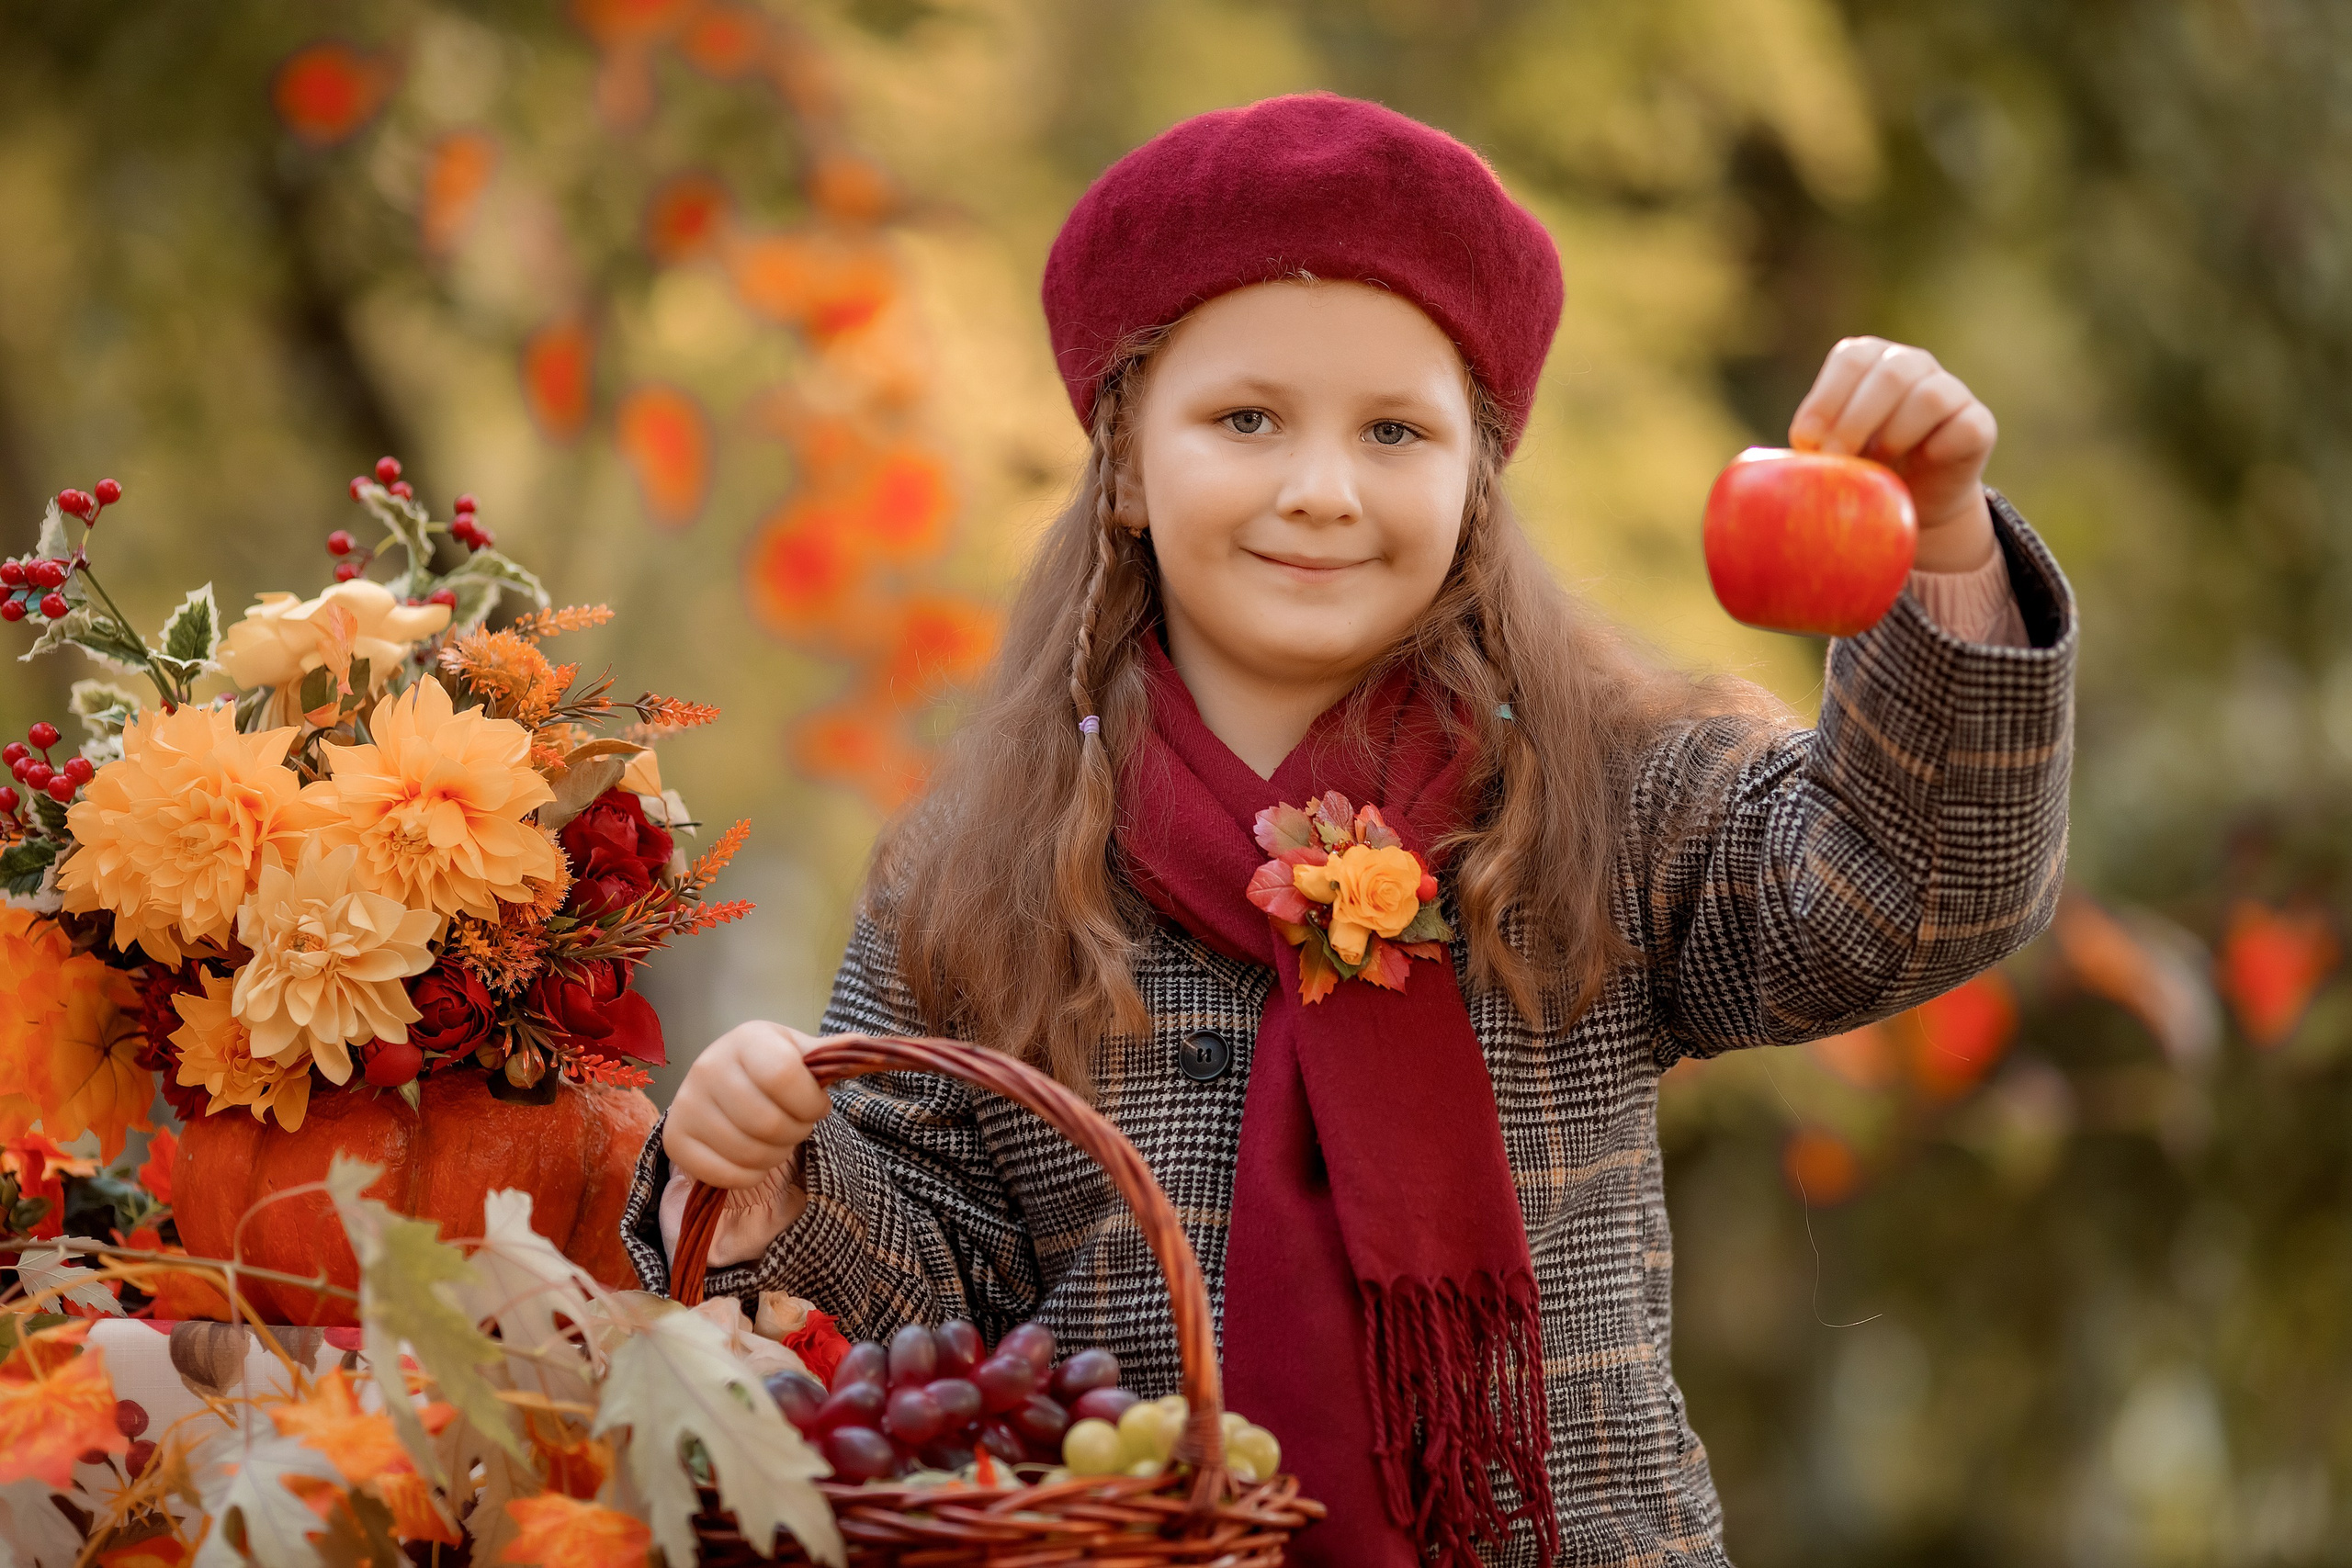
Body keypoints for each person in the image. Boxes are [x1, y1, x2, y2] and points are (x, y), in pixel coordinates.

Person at [621, 93, 2073, 1567]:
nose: (1321, 490)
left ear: (1473, 481)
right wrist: (777, 1181)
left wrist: (1942, 544)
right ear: (1125, 464)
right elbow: (925, 1297)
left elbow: (1907, 890)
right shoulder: (978, 869)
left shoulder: (1603, 800)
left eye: (1394, 430)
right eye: (1246, 419)